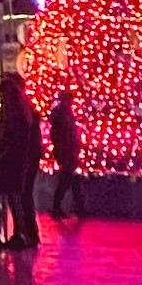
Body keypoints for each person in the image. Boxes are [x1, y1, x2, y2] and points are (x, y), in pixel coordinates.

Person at [0, 66, 42, 251]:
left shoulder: (17, 116)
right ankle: (20, 233)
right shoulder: (21, 113)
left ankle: (17, 233)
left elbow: (13, 140)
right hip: (11, 161)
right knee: (13, 196)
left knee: (12, 196)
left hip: (11, 162)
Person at [46, 91, 88, 222]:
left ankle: (74, 206)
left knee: (71, 178)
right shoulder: (63, 114)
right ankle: (64, 207)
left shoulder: (62, 113)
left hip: (67, 150)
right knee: (68, 178)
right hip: (67, 150)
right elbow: (66, 133)